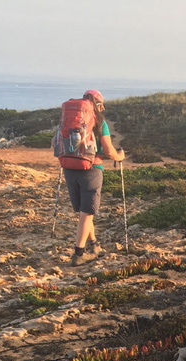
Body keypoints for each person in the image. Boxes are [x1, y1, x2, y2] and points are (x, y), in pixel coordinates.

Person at [63, 89, 125, 266]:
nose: (103, 107)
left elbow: (54, 143)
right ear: (96, 104)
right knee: (88, 212)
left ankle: (94, 245)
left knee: (84, 212)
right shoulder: (99, 122)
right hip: (91, 169)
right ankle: (79, 254)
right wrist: (120, 156)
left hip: (69, 167)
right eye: (102, 103)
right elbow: (108, 150)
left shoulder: (68, 120)